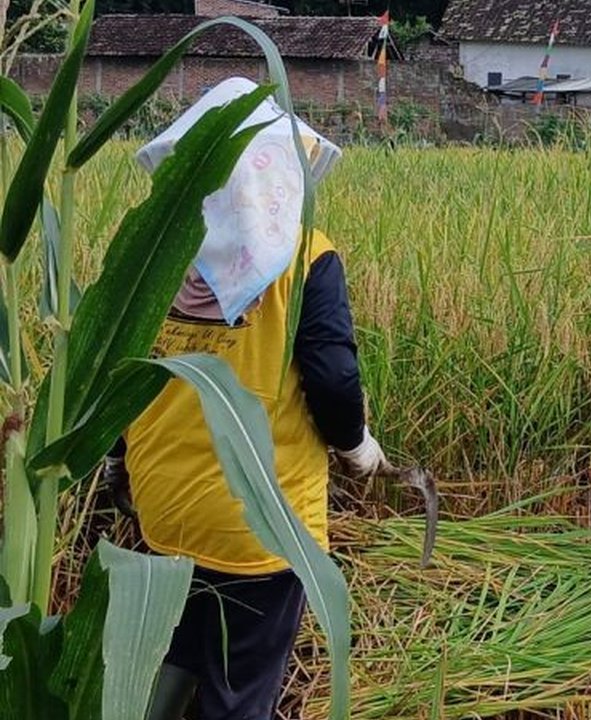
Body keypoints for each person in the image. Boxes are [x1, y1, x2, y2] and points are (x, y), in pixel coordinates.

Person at [101, 77, 392, 720]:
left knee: (164, 666)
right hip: (264, 525)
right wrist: (358, 449)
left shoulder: (151, 258)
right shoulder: (306, 257)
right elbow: (334, 380)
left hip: (165, 518)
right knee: (240, 694)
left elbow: (117, 375)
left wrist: (117, 462)